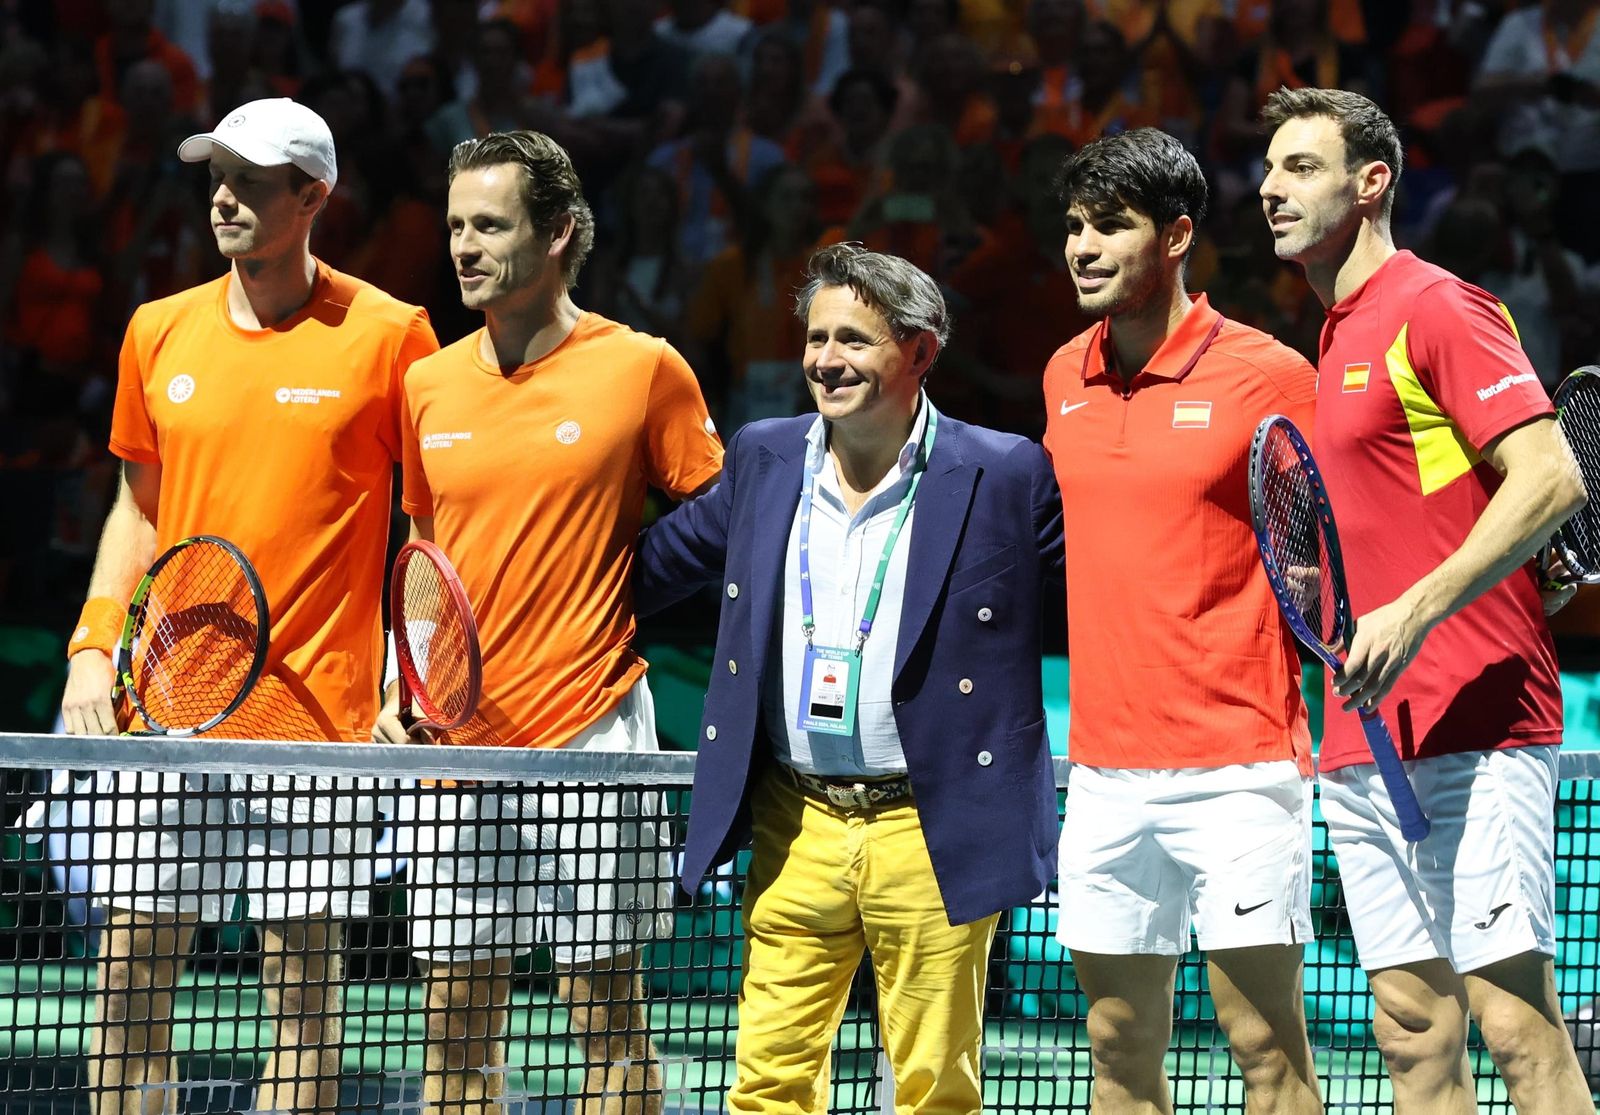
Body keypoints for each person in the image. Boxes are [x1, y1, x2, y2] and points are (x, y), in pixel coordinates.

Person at [58, 97, 439, 1115]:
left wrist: (415, 670)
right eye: (217, 173)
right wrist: (93, 647)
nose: (225, 195)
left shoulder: (392, 335)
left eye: (253, 180)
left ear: (313, 196)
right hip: (164, 702)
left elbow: (429, 524)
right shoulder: (159, 329)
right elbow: (137, 506)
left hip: (318, 722)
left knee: (305, 1008)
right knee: (128, 983)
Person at [634, 243, 1065, 1113]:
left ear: (920, 350)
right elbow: (651, 568)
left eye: (854, 341)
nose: (826, 360)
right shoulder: (762, 455)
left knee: (936, 1089)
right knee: (767, 1084)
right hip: (794, 821)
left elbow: (1099, 601)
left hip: (929, 824)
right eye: (816, 338)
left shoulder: (1002, 471)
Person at [372, 129, 723, 1115]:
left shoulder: (642, 367)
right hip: (456, 735)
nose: (463, 247)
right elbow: (424, 546)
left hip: (590, 725)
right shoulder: (427, 383)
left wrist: (629, 585)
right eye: (454, 226)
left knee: (604, 1010)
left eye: (490, 224)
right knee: (453, 1011)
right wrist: (408, 679)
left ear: (560, 231)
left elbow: (723, 517)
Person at [1259, 86, 1592, 1113]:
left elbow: (1551, 478)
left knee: (1513, 1024)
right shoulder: (1330, 340)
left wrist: (1411, 607)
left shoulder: (1435, 306)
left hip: (1480, 723)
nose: (1270, 188)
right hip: (1369, 736)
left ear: (1371, 183)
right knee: (1411, 1036)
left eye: (1300, 168)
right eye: (1267, 170)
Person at [1041, 127, 1323, 1115]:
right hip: (1105, 770)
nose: (1081, 246)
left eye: (1108, 226)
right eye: (1073, 225)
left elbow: (1344, 528)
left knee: (1266, 1051)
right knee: (1116, 1047)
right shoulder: (1059, 376)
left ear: (1174, 236)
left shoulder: (1268, 373)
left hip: (1239, 764)